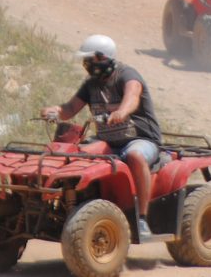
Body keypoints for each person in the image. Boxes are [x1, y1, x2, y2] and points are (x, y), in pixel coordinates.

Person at [40, 35, 162, 240]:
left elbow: (132, 97)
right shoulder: (91, 85)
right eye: (85, 61)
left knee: (134, 156)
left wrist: (122, 112)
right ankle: (64, 205)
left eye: (89, 60)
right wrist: (54, 111)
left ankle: (142, 219)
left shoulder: (127, 75)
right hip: (109, 143)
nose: (86, 65)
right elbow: (70, 109)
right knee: (75, 154)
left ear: (103, 57)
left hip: (141, 140)